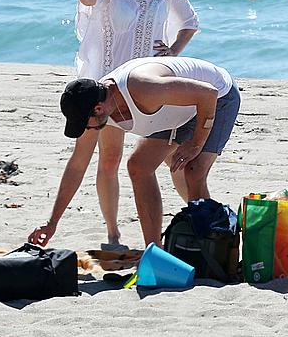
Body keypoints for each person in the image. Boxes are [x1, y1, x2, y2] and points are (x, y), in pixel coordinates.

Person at [54, 0, 198, 246]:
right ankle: (113, 234)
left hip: (149, 85)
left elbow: (190, 21)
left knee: (167, 153)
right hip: (107, 84)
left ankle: (198, 216)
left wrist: (173, 52)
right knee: (108, 158)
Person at [28, 56, 240, 248]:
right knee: (139, 166)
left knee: (193, 171)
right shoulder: (97, 110)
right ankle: (155, 252)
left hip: (218, 99)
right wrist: (52, 223)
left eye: (85, 123)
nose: (86, 128)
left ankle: (210, 245)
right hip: (177, 112)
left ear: (98, 109)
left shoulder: (142, 87)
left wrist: (195, 144)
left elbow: (208, 94)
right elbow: (77, 165)